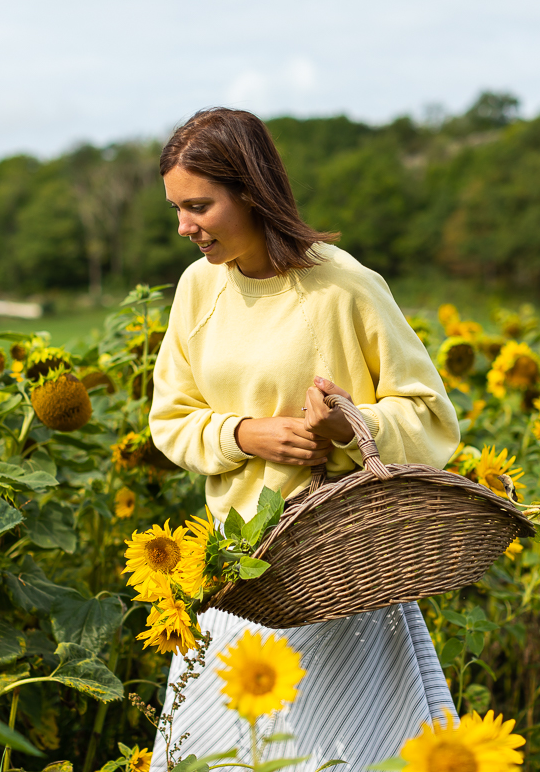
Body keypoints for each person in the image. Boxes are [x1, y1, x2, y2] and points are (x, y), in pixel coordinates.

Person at [148, 107, 461, 771]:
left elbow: (433, 418)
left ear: (251, 191)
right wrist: (245, 433)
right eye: (177, 209)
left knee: (344, 755)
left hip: (342, 572)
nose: (184, 227)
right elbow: (170, 417)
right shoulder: (196, 288)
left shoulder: (343, 287)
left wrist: (351, 426)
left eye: (199, 205)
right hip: (238, 575)